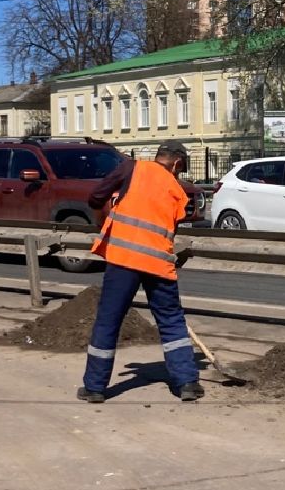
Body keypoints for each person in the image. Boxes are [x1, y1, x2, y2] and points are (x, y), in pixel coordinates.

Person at [78, 141, 203, 403]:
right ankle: (187, 383)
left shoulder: (130, 169)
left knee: (108, 321)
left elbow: (95, 197)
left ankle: (95, 388)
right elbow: (171, 228)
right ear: (177, 164)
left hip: (123, 260)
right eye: (181, 170)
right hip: (158, 264)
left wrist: (109, 213)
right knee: (171, 321)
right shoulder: (178, 191)